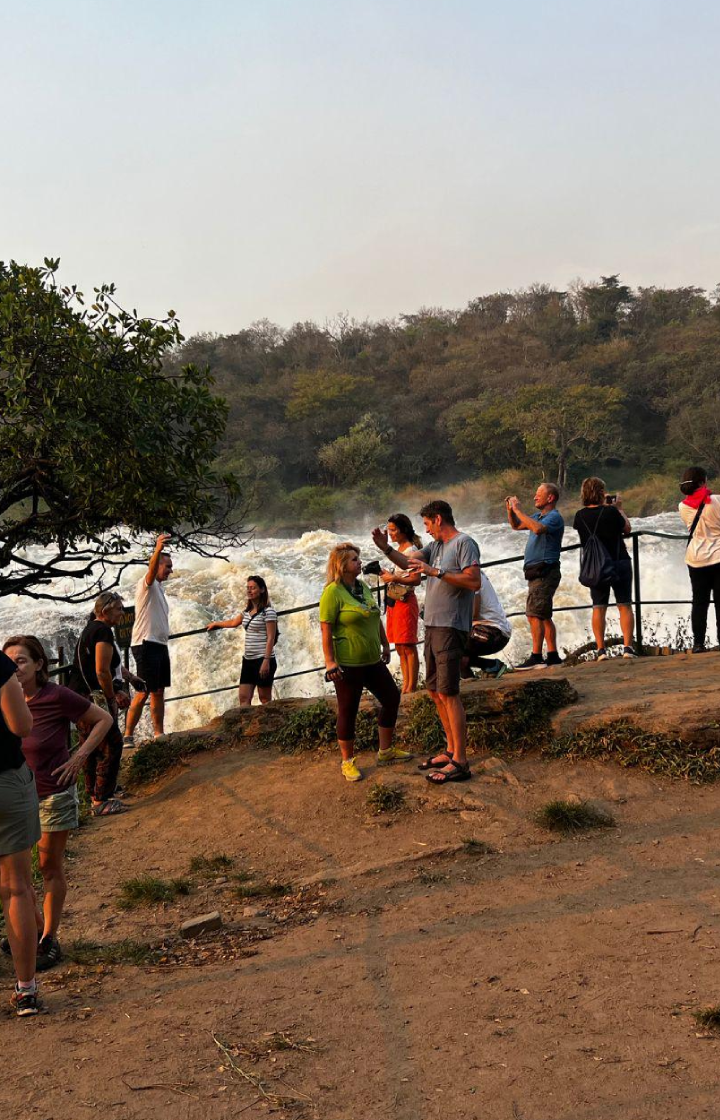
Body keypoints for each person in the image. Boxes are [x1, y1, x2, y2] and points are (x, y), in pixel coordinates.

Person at [3, 636, 112, 970]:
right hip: (18, 798)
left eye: (21, 660)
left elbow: (103, 719)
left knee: (48, 867)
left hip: (53, 793)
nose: (14, 667)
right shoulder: (5, 697)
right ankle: (33, 928)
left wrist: (80, 756)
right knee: (16, 877)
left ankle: (49, 937)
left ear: (39, 664)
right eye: (9, 661)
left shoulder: (55, 695)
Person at [373, 500, 481, 785]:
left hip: (451, 626)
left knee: (449, 692)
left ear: (438, 519)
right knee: (434, 690)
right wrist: (386, 549)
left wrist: (436, 572)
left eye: (427, 523)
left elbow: (474, 581)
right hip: (433, 625)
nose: (426, 529)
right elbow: (408, 563)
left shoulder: (464, 543)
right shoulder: (435, 547)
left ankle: (461, 761)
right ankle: (451, 750)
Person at [319, 543, 411, 782]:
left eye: (358, 558)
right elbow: (326, 629)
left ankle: (385, 751)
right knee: (348, 710)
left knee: (391, 698)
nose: (359, 562)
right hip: (348, 663)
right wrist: (330, 662)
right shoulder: (332, 592)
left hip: (372, 660)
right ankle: (347, 761)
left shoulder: (362, 587)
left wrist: (385, 643)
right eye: (354, 560)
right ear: (342, 565)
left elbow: (375, 617)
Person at [70, 592, 145, 813]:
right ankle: (101, 800)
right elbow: (102, 671)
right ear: (105, 611)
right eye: (119, 609)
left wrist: (131, 678)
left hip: (81, 698)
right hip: (92, 698)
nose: (122, 613)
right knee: (112, 743)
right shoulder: (102, 631)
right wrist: (111, 697)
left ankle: (95, 794)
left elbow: (112, 665)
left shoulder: (92, 629)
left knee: (91, 745)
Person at [0, 647, 39, 1015]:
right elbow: (21, 726)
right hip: (6, 785)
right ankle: (26, 989)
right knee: (16, 888)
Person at [573, 478, 635, 660]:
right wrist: (619, 509)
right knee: (624, 605)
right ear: (601, 493)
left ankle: (601, 650)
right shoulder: (611, 512)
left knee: (599, 607)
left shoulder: (579, 516)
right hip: (619, 561)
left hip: (595, 566)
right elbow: (627, 529)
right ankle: (627, 648)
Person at [505, 483, 565, 670]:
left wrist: (518, 509)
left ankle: (537, 657)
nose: (534, 497)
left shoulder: (554, 517)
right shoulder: (538, 516)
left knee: (534, 614)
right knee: (543, 615)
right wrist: (510, 511)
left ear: (550, 498)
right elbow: (516, 525)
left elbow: (537, 529)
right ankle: (553, 656)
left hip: (545, 571)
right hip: (538, 571)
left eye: (539, 494)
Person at [124, 533, 173, 745]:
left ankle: (158, 733)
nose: (171, 571)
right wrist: (157, 549)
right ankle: (128, 735)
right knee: (143, 691)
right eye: (168, 566)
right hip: (146, 643)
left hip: (159, 644)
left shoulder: (159, 588)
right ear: (157, 565)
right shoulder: (147, 584)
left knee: (158, 691)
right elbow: (151, 571)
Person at [207, 576, 278, 705]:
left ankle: (270, 719)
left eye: (253, 588)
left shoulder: (268, 612)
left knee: (264, 699)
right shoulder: (247, 612)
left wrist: (266, 661)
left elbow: (271, 638)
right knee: (244, 698)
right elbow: (233, 622)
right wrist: (216, 624)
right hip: (248, 661)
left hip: (263, 659)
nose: (249, 591)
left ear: (262, 590)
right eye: (248, 588)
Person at [678, 467, 720, 653]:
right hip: (718, 556)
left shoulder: (682, 506)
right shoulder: (716, 501)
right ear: (703, 482)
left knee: (699, 602)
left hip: (696, 559)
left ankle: (698, 644)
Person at [379, 514, 422, 693]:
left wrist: (394, 578)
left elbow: (416, 579)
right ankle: (406, 685)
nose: (390, 533)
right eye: (389, 530)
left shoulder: (411, 550)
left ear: (403, 530)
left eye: (393, 530)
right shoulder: (400, 549)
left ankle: (411, 686)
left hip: (405, 601)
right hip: (396, 601)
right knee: (399, 645)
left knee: (408, 645)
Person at [461, 572, 512, 679]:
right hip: (493, 630)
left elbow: (473, 614)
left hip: (494, 632)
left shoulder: (469, 575)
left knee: (452, 647)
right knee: (451, 650)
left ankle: (487, 669)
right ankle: (490, 666)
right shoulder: (471, 571)